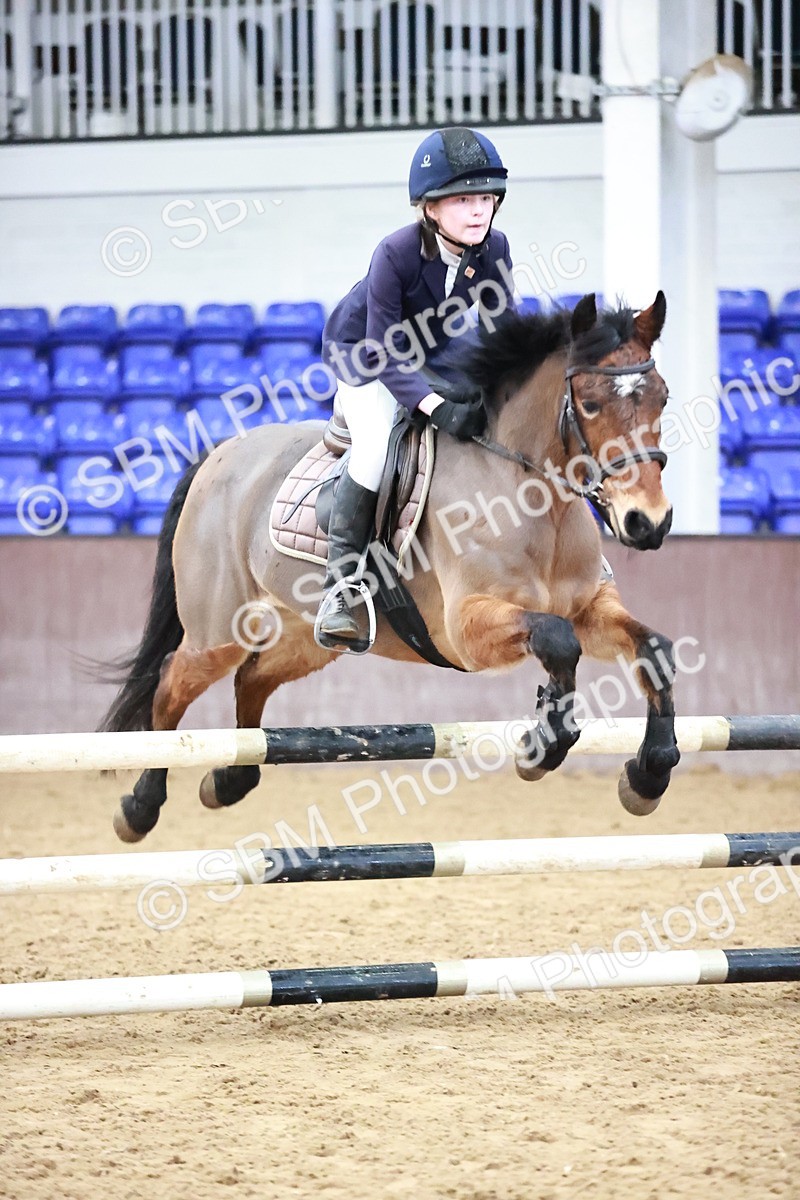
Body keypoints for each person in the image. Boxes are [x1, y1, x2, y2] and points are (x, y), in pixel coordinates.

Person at [316, 126, 515, 648]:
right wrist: (435, 407)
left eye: (486, 199)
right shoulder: (395, 253)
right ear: (430, 208)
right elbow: (381, 349)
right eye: (463, 200)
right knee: (376, 450)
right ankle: (342, 587)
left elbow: (502, 332)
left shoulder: (494, 248)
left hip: (436, 352)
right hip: (363, 354)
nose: (478, 211)